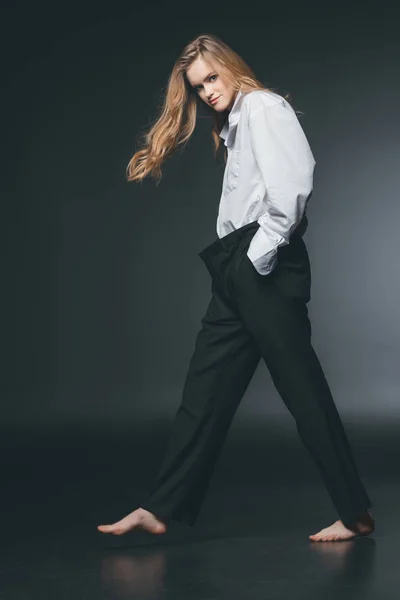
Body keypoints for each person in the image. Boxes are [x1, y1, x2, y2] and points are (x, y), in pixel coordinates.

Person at [97, 33, 375, 542]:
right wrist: (241, 262)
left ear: (229, 68)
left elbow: (294, 184)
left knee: (302, 391)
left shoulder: (264, 107)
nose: (206, 92)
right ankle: (160, 507)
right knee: (204, 392)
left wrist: (257, 255)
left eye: (211, 78)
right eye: (198, 86)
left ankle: (354, 512)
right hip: (235, 266)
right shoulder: (235, 124)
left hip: (260, 264)